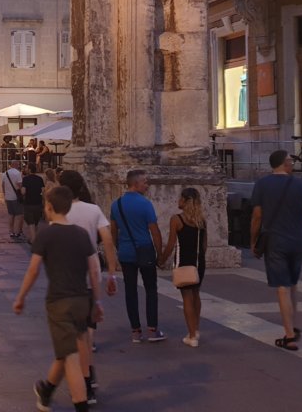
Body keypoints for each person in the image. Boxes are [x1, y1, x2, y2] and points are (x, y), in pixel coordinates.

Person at [13, 186, 102, 412]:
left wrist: (21, 297)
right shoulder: (81, 234)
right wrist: (97, 302)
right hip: (82, 299)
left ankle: (81, 406)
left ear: (49, 208)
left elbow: (33, 270)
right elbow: (93, 270)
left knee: (70, 356)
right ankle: (47, 390)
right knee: (68, 349)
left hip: (59, 302)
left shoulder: (46, 234)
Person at [59, 170, 118, 403]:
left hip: (66, 279)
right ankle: (89, 377)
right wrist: (112, 272)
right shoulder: (93, 210)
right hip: (91, 276)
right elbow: (109, 239)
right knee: (88, 330)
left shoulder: (59, 211)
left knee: (75, 337)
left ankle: (85, 382)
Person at [250, 150, 302, 351]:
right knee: (293, 284)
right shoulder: (299, 184)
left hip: (276, 241)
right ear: (283, 163)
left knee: (282, 287)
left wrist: (253, 241)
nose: (292, 164)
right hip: (298, 240)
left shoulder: (262, 185)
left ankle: (289, 335)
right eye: (289, 160)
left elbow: (257, 216)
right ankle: (294, 325)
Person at [110, 169, 166, 343]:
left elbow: (113, 230)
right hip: (145, 249)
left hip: (126, 252)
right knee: (150, 289)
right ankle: (152, 329)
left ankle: (135, 331)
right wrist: (160, 254)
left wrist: (118, 247)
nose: (147, 185)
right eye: (145, 182)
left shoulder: (116, 204)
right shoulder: (145, 204)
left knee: (130, 291)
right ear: (135, 183)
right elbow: (154, 231)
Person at [159, 187, 207, 347]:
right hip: (198, 262)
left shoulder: (177, 219)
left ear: (185, 201)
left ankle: (192, 336)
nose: (178, 201)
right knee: (196, 295)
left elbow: (172, 243)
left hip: (184, 262)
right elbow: (204, 245)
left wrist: (162, 259)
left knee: (187, 297)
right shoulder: (201, 220)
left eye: (180, 198)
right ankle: (196, 328)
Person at [20, 162, 46, 244]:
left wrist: (20, 189)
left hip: (29, 203)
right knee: (35, 222)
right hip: (38, 203)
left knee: (30, 222)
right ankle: (32, 237)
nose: (25, 169)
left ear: (30, 169)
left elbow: (23, 192)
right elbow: (43, 191)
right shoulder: (40, 179)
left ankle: (33, 240)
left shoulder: (26, 179)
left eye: (27, 168)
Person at [0, 160, 24, 240]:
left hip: (8, 197)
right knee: (18, 215)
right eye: (18, 164)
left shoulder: (5, 173)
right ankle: (17, 232)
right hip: (16, 197)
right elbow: (20, 185)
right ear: (16, 165)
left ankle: (11, 231)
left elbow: (3, 185)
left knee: (11, 215)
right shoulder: (18, 173)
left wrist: (5, 194)